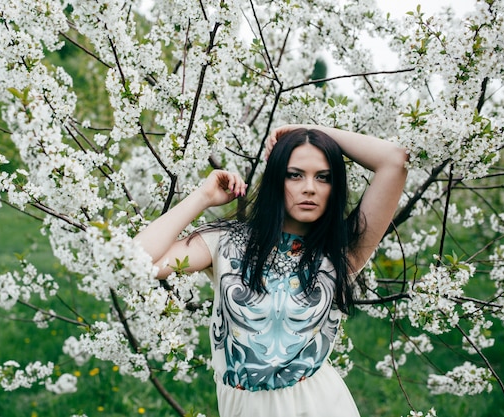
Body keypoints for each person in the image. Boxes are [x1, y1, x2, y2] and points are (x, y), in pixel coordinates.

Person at [134, 124, 408, 417]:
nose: (309, 188)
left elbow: (395, 160)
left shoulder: (341, 250)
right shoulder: (226, 241)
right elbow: (137, 260)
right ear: (277, 179)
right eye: (295, 174)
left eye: (323, 177)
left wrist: (309, 129)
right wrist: (203, 197)